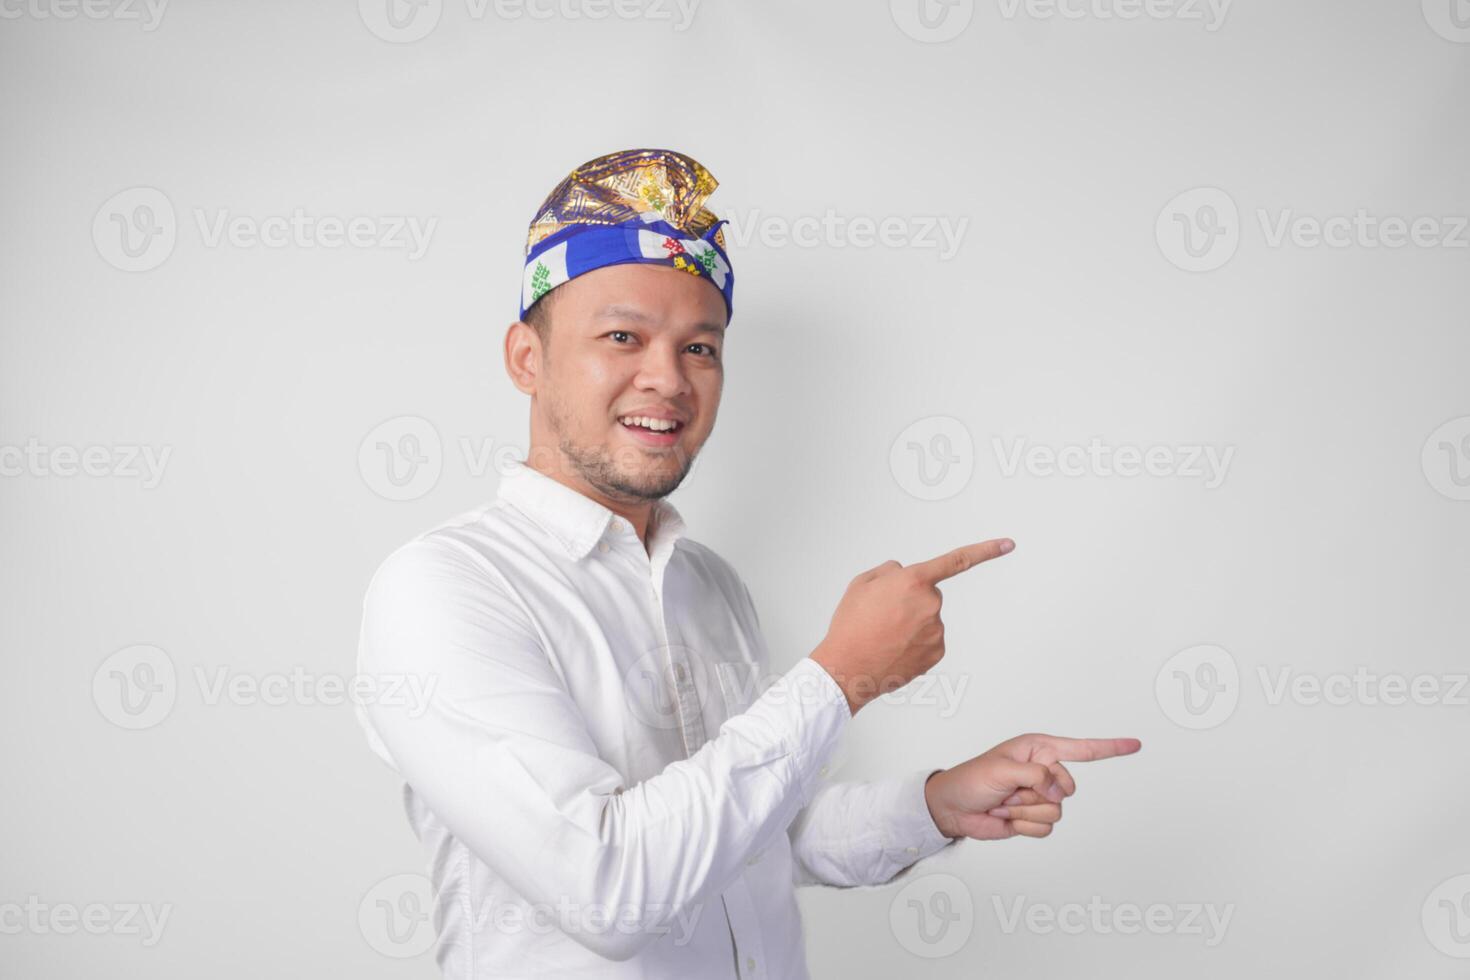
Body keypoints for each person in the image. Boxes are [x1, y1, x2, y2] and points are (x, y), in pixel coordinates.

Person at [355, 147, 1141, 978]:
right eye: (622, 336)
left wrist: (934, 802)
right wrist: (840, 676)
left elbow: (755, 835)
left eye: (701, 348)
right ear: (527, 358)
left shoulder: (709, 586)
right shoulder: (444, 589)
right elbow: (606, 887)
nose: (667, 379)